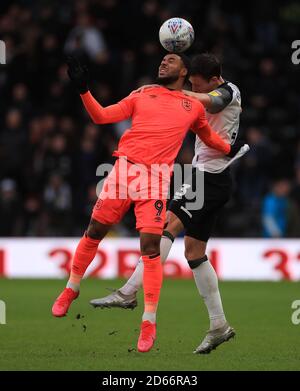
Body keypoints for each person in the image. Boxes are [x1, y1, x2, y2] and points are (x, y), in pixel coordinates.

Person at [52, 53, 245, 353]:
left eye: (196, 83)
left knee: (164, 228)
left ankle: (130, 294)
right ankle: (219, 325)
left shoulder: (226, 92)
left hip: (207, 178)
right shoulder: (152, 95)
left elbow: (214, 104)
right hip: (201, 174)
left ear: (212, 80)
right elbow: (104, 115)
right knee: (194, 253)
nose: (194, 87)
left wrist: (178, 93)